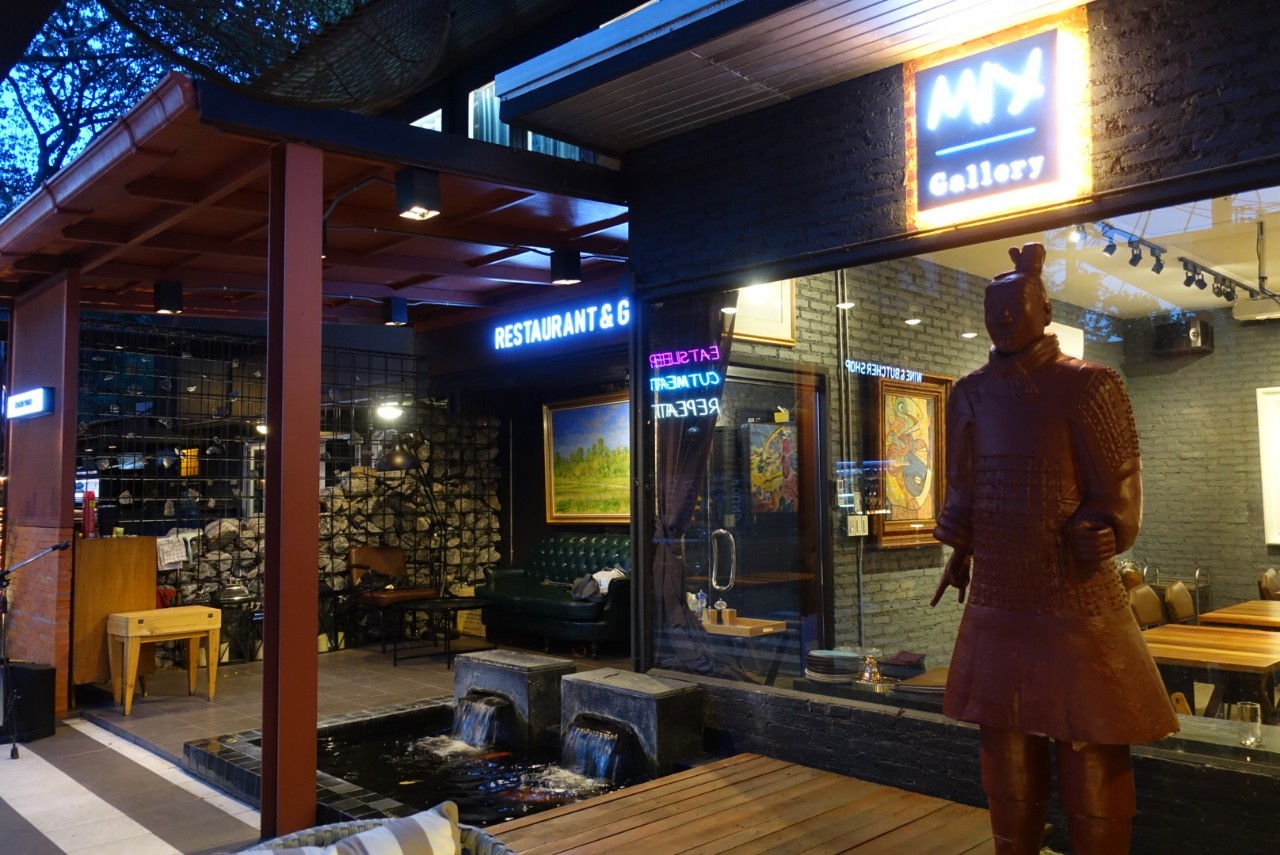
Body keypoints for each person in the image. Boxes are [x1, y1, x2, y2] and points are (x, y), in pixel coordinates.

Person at [930, 242, 1178, 854]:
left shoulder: (1089, 384)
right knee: (1004, 735)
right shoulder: (969, 393)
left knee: (1091, 736)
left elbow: (1120, 482)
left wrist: (1108, 526)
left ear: (1044, 311)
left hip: (1074, 591)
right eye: (993, 309)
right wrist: (959, 537)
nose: (1003, 319)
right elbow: (964, 485)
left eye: (1015, 306)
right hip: (999, 592)